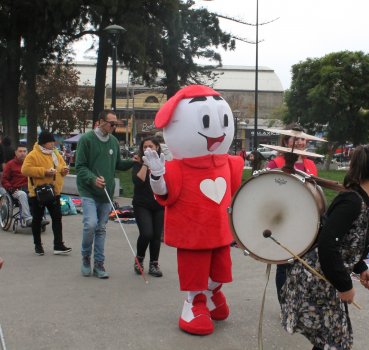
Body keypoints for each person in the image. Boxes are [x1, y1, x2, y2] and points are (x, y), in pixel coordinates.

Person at [144, 85, 244, 335]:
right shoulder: (178, 168)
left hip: (220, 232)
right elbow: (163, 192)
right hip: (193, 233)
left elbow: (236, 194)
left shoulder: (228, 163)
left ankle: (211, 293)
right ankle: (194, 302)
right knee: (195, 271)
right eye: (207, 121)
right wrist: (157, 173)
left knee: (220, 270)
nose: (217, 131)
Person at [280, 142, 369, 350]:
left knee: (331, 342)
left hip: (326, 278)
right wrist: (345, 285)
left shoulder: (359, 199)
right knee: (336, 343)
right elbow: (327, 244)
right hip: (317, 280)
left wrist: (361, 267)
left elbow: (345, 241)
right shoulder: (353, 201)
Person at [76, 109, 136, 279]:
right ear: (101, 121)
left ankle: (99, 263)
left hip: (106, 192)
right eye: (111, 123)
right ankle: (86, 257)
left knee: (101, 228)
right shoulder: (87, 139)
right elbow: (80, 167)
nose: (114, 126)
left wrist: (133, 161)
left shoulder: (114, 142)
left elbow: (118, 164)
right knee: (90, 224)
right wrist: (92, 178)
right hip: (88, 190)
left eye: (116, 124)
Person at [268, 125, 318, 303]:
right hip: (283, 220)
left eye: (303, 138)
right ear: (286, 141)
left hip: (305, 220)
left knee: (303, 264)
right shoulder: (276, 164)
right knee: (284, 265)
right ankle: (284, 303)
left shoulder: (310, 164)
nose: (301, 142)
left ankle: (298, 302)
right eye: (296, 139)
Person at [21, 131, 71, 256]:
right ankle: (38, 245)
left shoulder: (55, 153)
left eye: (53, 141)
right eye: (50, 142)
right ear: (43, 143)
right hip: (38, 192)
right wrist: (44, 172)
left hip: (54, 191)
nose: (53, 144)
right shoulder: (33, 155)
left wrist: (64, 170)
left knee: (57, 218)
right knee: (37, 219)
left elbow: (60, 166)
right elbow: (25, 170)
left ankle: (58, 245)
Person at [132, 136, 165, 277]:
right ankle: (139, 260)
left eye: (150, 146)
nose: (147, 149)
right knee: (147, 233)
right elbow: (138, 181)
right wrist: (145, 164)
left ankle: (154, 264)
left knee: (156, 235)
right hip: (142, 204)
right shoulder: (138, 161)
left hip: (159, 204)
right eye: (145, 147)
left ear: (157, 147)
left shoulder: (162, 161)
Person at [2, 144, 34, 227]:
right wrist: (10, 188)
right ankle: (28, 219)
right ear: (16, 152)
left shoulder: (30, 164)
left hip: (29, 189)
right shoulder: (10, 164)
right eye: (20, 151)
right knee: (22, 194)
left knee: (41, 193)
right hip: (16, 190)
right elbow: (4, 180)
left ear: (27, 153)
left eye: (24, 151)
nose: (22, 153)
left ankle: (39, 217)